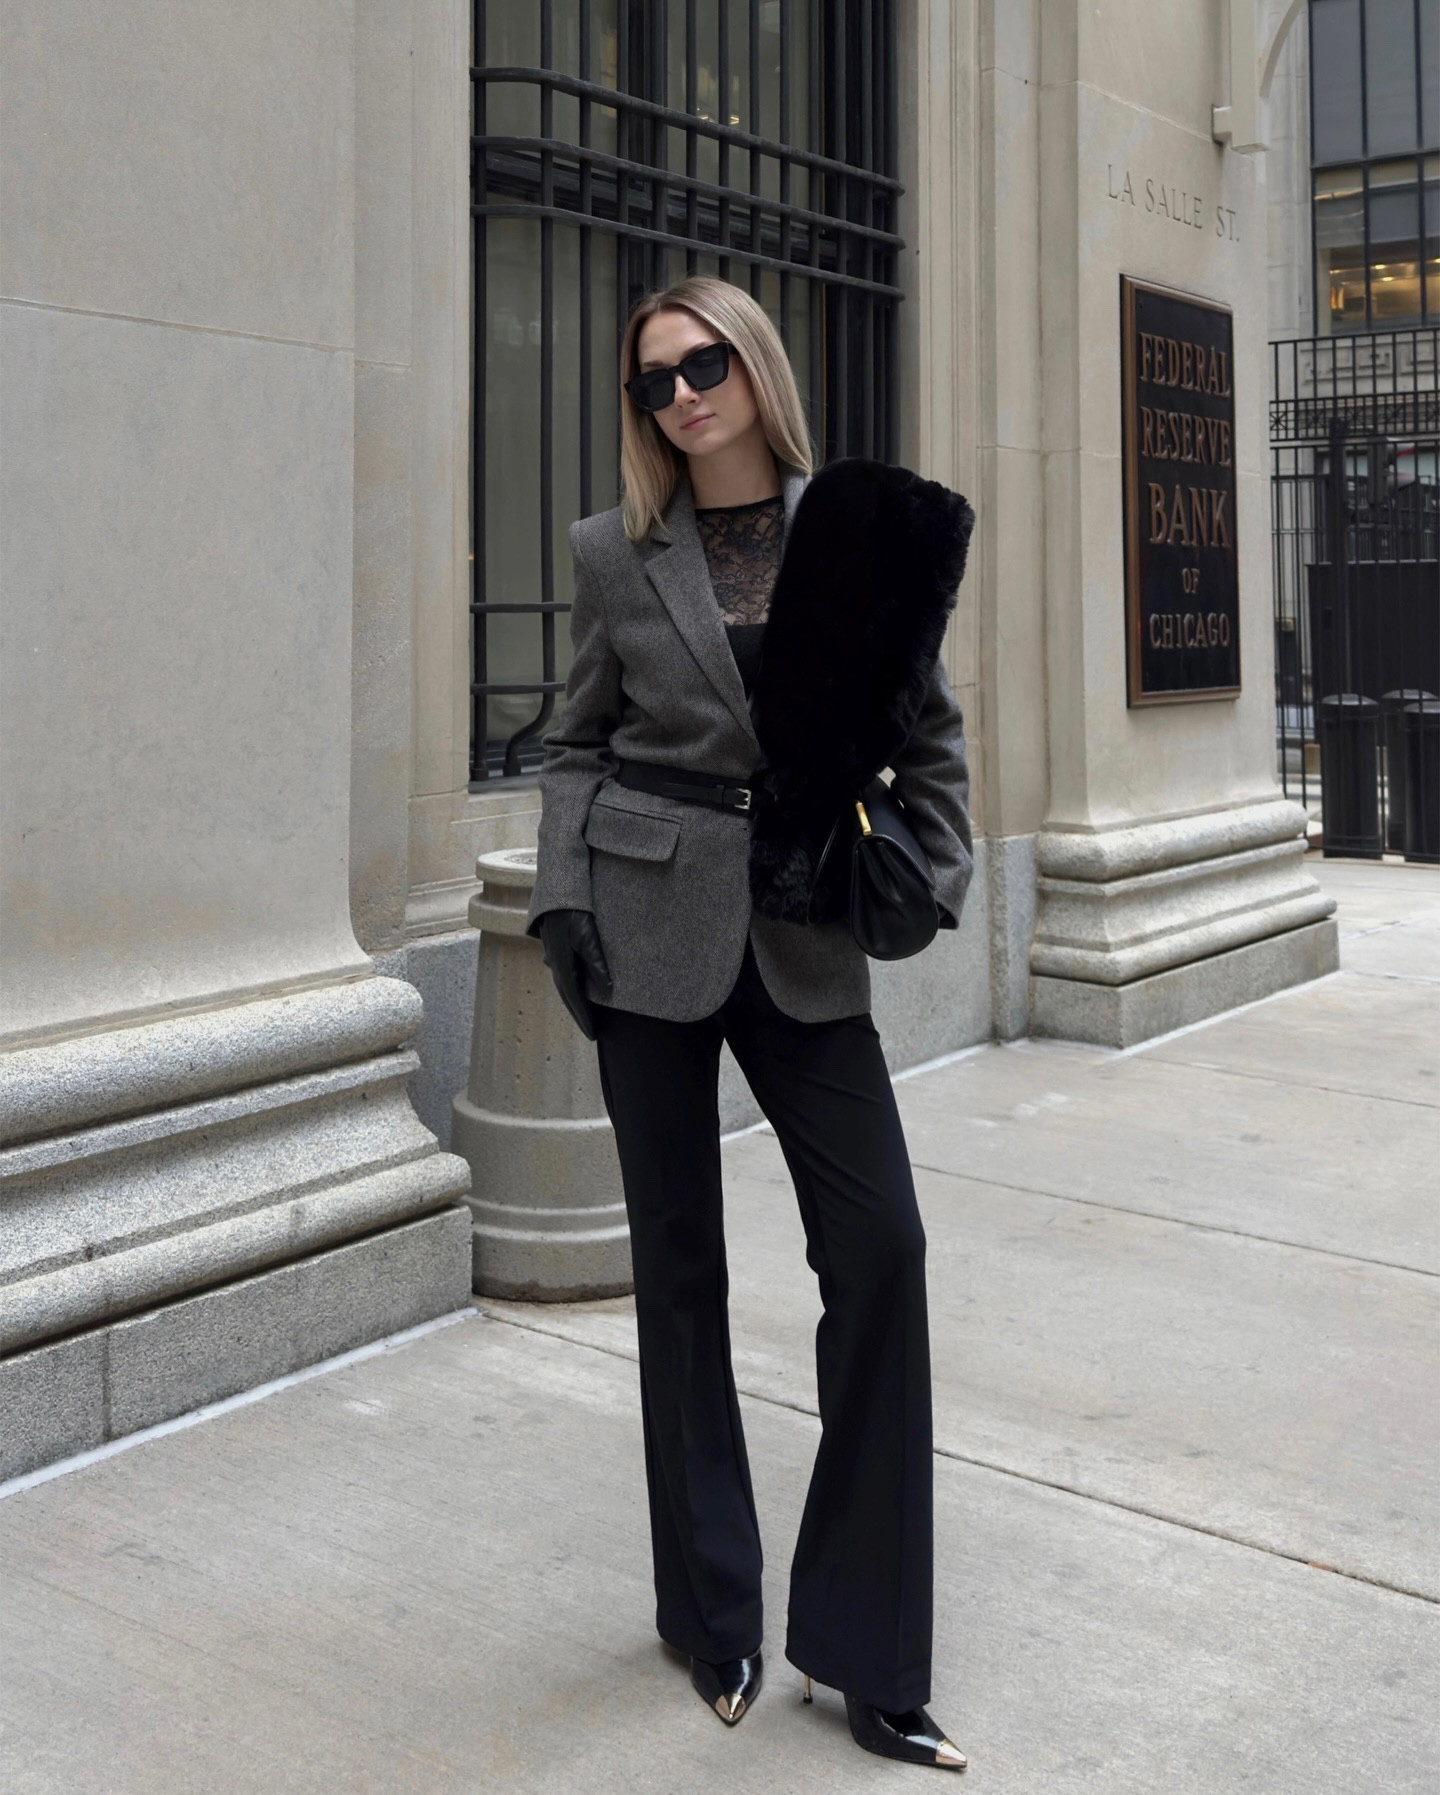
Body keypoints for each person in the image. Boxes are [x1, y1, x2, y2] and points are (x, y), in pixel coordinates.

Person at [526, 274, 973, 1772]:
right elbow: (576, 744)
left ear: (755, 365)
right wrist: (559, 904)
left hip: (802, 929)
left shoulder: (857, 529)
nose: (682, 395)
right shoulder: (616, 552)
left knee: (884, 1252)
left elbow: (928, 730)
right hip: (646, 932)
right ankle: (710, 1615)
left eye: (705, 363)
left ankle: (868, 1652)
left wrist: (939, 860)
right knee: (681, 1276)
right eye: (655, 379)